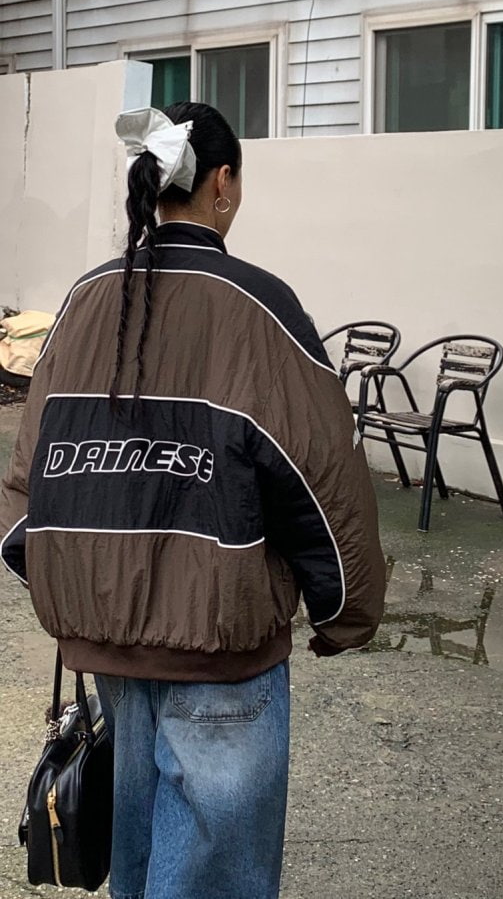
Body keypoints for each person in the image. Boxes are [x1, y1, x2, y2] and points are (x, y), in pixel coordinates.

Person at [0, 102, 386, 899]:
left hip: (106, 645)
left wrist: (67, 583)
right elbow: (325, 477)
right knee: (209, 876)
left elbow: (27, 479)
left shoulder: (82, 301)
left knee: (140, 860)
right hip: (220, 651)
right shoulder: (260, 308)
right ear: (222, 182)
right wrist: (345, 614)